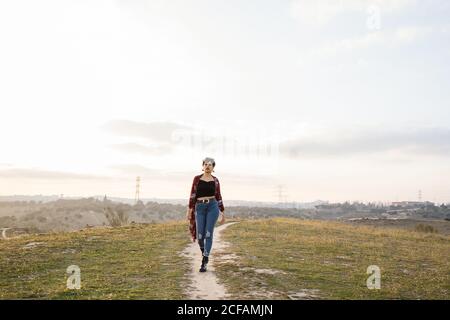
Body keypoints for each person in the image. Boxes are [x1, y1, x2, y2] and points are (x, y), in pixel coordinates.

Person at [186, 157, 225, 272]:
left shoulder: (216, 180)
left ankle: (205, 260)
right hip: (200, 207)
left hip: (212, 207)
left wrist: (222, 212)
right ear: (202, 166)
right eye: (206, 164)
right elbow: (192, 194)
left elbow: (219, 196)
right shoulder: (197, 179)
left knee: (208, 234)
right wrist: (189, 210)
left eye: (210, 165)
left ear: (213, 168)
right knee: (200, 236)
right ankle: (204, 252)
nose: (208, 166)